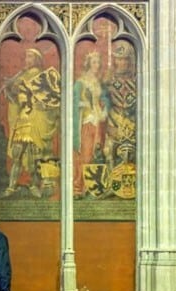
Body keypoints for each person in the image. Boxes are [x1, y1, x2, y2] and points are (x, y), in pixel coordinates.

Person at [3, 47, 60, 198]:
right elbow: (15, 97)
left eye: (30, 57)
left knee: (34, 155)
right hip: (23, 117)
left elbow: (51, 98)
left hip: (35, 118)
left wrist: (44, 106)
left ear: (37, 60)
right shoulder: (21, 76)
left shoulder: (39, 76)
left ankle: (33, 185)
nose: (27, 60)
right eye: (26, 57)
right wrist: (9, 86)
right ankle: (12, 186)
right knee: (18, 153)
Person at [73, 50, 110, 198]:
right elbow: (74, 102)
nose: (97, 65)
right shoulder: (80, 83)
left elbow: (104, 99)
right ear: (88, 63)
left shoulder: (98, 82)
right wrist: (85, 105)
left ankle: (91, 186)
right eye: (94, 62)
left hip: (98, 121)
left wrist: (104, 108)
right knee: (85, 155)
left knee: (96, 153)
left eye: (99, 62)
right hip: (86, 121)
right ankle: (77, 187)